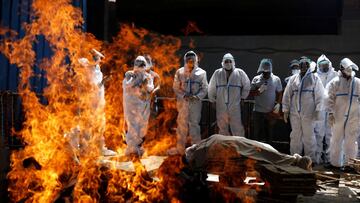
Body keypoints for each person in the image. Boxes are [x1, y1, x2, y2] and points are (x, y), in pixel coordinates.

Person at [185, 134, 312, 172]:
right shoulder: (206, 141)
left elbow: (198, 164)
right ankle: (293, 160)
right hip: (238, 145)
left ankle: (294, 160)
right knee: (262, 152)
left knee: (262, 152)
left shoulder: (202, 149)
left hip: (238, 146)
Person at [75, 49, 116, 156]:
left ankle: (100, 147)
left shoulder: (97, 69)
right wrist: (103, 81)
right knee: (89, 124)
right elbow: (93, 88)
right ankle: (85, 149)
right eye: (96, 58)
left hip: (99, 101)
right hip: (90, 102)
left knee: (100, 123)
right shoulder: (87, 70)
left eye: (98, 58)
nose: (99, 60)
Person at [282, 57, 324, 163]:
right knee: (295, 136)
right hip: (295, 112)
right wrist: (285, 110)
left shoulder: (314, 78)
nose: (303, 67)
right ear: (299, 67)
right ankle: (295, 159)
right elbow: (287, 95)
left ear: (309, 66)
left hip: (309, 113)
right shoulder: (293, 79)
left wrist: (319, 110)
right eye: (301, 65)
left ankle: (310, 160)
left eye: (305, 65)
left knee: (309, 137)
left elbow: (320, 96)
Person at [325, 58, 360, 171]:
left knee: (351, 140)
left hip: (353, 117)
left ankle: (350, 165)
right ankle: (335, 163)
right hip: (338, 116)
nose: (348, 73)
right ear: (341, 69)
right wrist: (330, 112)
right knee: (336, 139)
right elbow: (328, 98)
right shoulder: (335, 82)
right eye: (347, 70)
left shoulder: (357, 82)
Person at [171, 51, 208, 154]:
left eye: (192, 60)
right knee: (181, 126)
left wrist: (197, 97)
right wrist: (183, 95)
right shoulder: (180, 72)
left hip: (195, 103)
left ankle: (196, 150)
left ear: (196, 60)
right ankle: (180, 150)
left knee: (194, 125)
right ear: (185, 60)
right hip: (183, 102)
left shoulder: (202, 73)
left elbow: (205, 88)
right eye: (188, 60)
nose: (190, 61)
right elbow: (175, 87)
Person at [208, 53, 250, 137]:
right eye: (226, 61)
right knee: (222, 126)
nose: (228, 63)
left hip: (235, 104)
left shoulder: (239, 72)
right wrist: (212, 100)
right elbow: (211, 87)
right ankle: (224, 147)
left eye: (230, 61)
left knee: (237, 126)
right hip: (221, 104)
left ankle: (239, 145)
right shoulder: (217, 73)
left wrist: (243, 98)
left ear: (233, 62)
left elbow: (247, 85)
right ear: (223, 62)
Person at [123, 55, 154, 157]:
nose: (140, 67)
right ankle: (131, 149)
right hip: (132, 105)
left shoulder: (148, 76)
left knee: (143, 127)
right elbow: (127, 85)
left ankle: (139, 147)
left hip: (144, 105)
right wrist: (136, 80)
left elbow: (150, 88)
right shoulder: (130, 75)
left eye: (142, 64)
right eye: (138, 64)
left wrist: (145, 85)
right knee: (133, 126)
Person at [250, 59, 282, 144]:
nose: (266, 73)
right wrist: (258, 91)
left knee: (269, 134)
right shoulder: (256, 79)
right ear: (261, 71)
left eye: (267, 72)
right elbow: (250, 93)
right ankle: (255, 153)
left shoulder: (276, 79)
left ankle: (269, 153)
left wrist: (278, 103)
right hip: (257, 111)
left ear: (270, 70)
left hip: (270, 112)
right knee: (256, 134)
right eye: (264, 72)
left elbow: (279, 93)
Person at [314, 54, 337, 164]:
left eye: (326, 65)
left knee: (330, 134)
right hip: (319, 109)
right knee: (318, 134)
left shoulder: (336, 75)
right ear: (318, 66)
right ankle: (317, 159)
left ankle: (329, 159)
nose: (324, 67)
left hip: (331, 109)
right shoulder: (314, 76)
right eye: (322, 65)